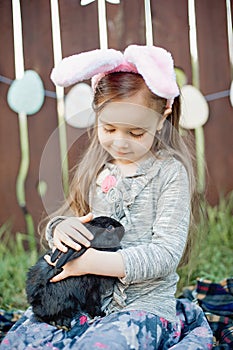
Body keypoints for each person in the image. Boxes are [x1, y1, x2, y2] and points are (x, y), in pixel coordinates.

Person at [0, 45, 213, 349]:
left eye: (135, 132)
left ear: (162, 115)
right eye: (108, 128)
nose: (120, 142)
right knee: (21, 340)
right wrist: (59, 228)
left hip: (144, 306)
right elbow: (76, 220)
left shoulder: (170, 173)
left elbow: (165, 255)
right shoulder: (97, 168)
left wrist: (90, 263)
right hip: (86, 302)